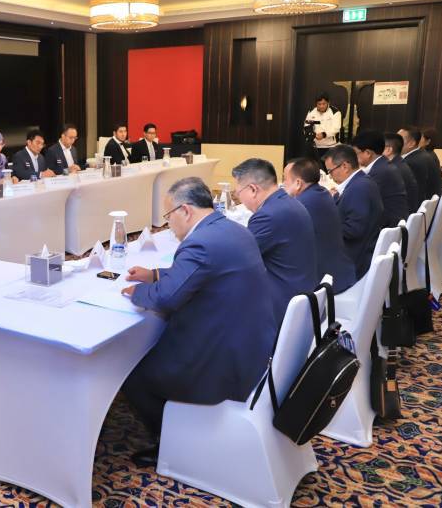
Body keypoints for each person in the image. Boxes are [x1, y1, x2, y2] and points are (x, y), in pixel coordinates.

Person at [120, 177, 275, 467]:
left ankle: (173, 442)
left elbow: (166, 298)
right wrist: (155, 275)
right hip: (253, 346)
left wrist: (136, 292)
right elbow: (200, 272)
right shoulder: (231, 229)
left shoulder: (200, 242)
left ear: (185, 210)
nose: (168, 224)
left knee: (130, 370)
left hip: (222, 360)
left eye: (168, 216)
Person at [232, 158, 317, 324]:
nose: (239, 199)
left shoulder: (267, 215)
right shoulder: (289, 201)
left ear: (253, 189)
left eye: (238, 193)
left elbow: (239, 259)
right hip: (302, 292)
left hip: (283, 305)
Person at [283, 158, 356, 293]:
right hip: (340, 272)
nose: (283, 184)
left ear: (298, 183)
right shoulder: (321, 192)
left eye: (285, 179)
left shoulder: (300, 205)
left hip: (325, 283)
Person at [324, 144, 384, 279]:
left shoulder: (359, 188)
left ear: (345, 166)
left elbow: (353, 230)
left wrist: (325, 227)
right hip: (361, 249)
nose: (330, 177)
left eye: (330, 171)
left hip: (354, 258)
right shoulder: (361, 181)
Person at [351, 130, 409, 227]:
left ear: (368, 153)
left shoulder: (380, 172)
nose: (353, 157)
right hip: (393, 222)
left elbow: (360, 199)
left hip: (389, 226)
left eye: (355, 153)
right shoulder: (383, 164)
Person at [384, 132, 420, 212]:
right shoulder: (399, 163)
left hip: (400, 216)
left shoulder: (392, 170)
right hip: (407, 212)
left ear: (388, 150)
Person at [398, 126, 433, 202]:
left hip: (417, 205)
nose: (394, 143)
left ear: (411, 144)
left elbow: (409, 193)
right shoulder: (422, 154)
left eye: (399, 140)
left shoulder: (410, 163)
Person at [304, 92, 341, 161]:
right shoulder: (311, 112)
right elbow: (306, 126)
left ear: (328, 103)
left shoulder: (335, 112)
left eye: (324, 104)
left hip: (331, 147)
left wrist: (324, 134)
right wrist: (312, 134)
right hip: (315, 147)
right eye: (319, 104)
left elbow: (336, 128)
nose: (321, 106)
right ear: (316, 103)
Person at [420, 127, 442, 197]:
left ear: (428, 141)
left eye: (421, 138)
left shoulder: (426, 156)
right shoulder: (431, 154)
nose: (418, 140)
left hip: (430, 196)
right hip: (436, 194)